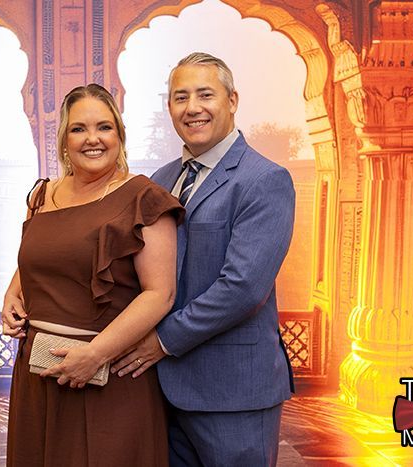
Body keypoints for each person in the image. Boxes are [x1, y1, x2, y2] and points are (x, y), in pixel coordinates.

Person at [111, 52, 296, 466]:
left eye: (205, 95)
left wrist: (162, 341)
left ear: (232, 100)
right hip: (161, 390)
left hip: (233, 392)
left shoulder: (264, 180)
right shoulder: (160, 180)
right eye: (180, 97)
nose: (192, 107)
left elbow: (242, 288)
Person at [1, 83, 184, 466]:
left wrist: (94, 355)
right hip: (38, 376)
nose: (92, 139)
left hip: (109, 378)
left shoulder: (145, 198)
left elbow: (160, 294)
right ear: (64, 140)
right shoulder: (42, 195)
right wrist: (13, 291)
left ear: (119, 135)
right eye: (78, 129)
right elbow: (44, 254)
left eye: (104, 127)